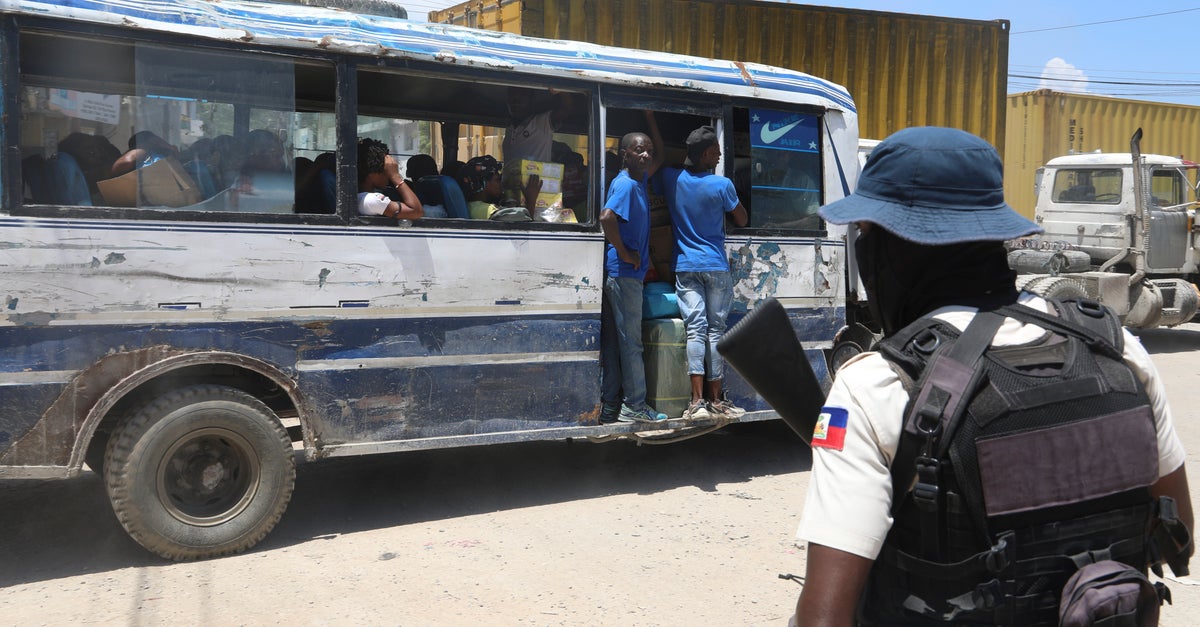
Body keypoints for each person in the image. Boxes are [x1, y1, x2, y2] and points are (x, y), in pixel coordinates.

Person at [792, 127, 1193, 626]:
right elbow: (1178, 535)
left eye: (867, 234)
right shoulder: (1115, 348)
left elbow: (823, 618)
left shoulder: (878, 384)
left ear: (895, 247)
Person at [658, 125, 748, 421]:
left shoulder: (671, 179)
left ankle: (696, 402)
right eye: (716, 152)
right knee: (715, 330)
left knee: (695, 330)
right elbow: (742, 219)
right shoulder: (722, 185)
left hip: (685, 265)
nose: (720, 156)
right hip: (715, 265)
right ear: (706, 154)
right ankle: (717, 400)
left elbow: (659, 162)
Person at [598, 112, 670, 424]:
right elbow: (607, 218)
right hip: (624, 275)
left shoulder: (639, 180)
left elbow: (661, 157)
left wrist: (651, 119)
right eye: (639, 150)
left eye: (648, 151)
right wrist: (625, 253)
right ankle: (635, 406)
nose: (646, 155)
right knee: (632, 345)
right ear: (624, 154)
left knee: (619, 344)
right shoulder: (626, 185)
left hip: (627, 276)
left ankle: (612, 406)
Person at [500, 87, 574, 204]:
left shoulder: (542, 122)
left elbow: (566, 109)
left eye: (521, 97)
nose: (516, 101)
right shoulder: (509, 129)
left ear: (531, 99)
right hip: (511, 200)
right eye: (512, 97)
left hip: (538, 201)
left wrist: (562, 90)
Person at [456, 155, 540, 221]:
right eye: (497, 180)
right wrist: (531, 201)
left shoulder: (471, 206)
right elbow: (523, 224)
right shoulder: (483, 210)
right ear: (483, 183)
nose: (501, 184)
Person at [356, 138, 423, 221]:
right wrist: (395, 176)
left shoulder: (360, 198)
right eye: (387, 169)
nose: (388, 175)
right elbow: (416, 211)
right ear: (373, 173)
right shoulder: (372, 200)